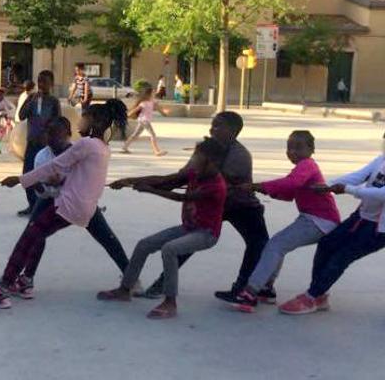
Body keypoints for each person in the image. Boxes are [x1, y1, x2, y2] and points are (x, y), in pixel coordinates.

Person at [0, 100, 129, 308]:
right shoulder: (102, 147)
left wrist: (21, 180)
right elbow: (74, 172)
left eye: (85, 118)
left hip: (69, 204)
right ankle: (131, 279)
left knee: (30, 236)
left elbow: (56, 165)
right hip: (84, 206)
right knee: (38, 235)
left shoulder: (85, 145)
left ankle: (4, 286)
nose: (80, 123)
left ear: (97, 122)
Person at [133, 112, 268, 302]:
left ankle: (245, 287)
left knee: (259, 243)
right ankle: (162, 283)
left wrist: (151, 188)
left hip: (241, 206)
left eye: (218, 126)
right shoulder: (205, 151)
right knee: (187, 243)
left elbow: (197, 186)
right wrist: (137, 182)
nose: (212, 129)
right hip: (212, 204)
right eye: (212, 125)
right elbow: (178, 178)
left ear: (234, 131)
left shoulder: (240, 155)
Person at [98, 138, 227, 319]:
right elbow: (164, 180)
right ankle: (124, 290)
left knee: (170, 249)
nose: (193, 159)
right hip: (189, 228)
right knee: (144, 245)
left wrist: (149, 190)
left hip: (206, 234)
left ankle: (170, 302)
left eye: (198, 156)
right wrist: (128, 181)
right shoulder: (196, 173)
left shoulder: (216, 186)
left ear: (212, 161)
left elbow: (182, 198)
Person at [220, 131, 340, 313]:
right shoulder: (304, 167)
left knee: (275, 246)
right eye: (289, 147)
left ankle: (249, 294)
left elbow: (291, 183)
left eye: (298, 147)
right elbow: (288, 194)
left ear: (311, 149)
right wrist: (261, 190)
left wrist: (257, 186)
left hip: (319, 221)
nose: (292, 151)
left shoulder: (307, 165)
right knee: (277, 246)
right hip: (315, 219)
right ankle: (266, 289)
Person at [278, 131, 385, 315]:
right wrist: (329, 184)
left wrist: (348, 190)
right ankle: (319, 295)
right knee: (327, 244)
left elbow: (381, 194)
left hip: (379, 229)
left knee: (342, 256)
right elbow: (358, 176)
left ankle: (311, 297)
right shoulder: (381, 160)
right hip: (361, 217)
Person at [17, 70, 61, 216]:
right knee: (27, 174)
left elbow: (58, 121)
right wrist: (30, 100)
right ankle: (32, 204)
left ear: (51, 84)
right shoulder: (32, 98)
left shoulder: (53, 101)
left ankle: (44, 206)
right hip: (32, 142)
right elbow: (21, 115)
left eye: (45, 82)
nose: (42, 85)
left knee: (44, 175)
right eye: (39, 81)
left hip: (46, 144)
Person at [122, 85, 167, 156]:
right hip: (144, 121)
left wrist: (164, 112)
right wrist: (127, 115)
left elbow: (158, 109)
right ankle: (156, 151)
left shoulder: (152, 102)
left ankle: (125, 147)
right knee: (153, 135)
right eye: (153, 92)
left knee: (135, 135)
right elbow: (135, 110)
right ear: (149, 94)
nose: (154, 93)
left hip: (142, 121)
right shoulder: (143, 103)